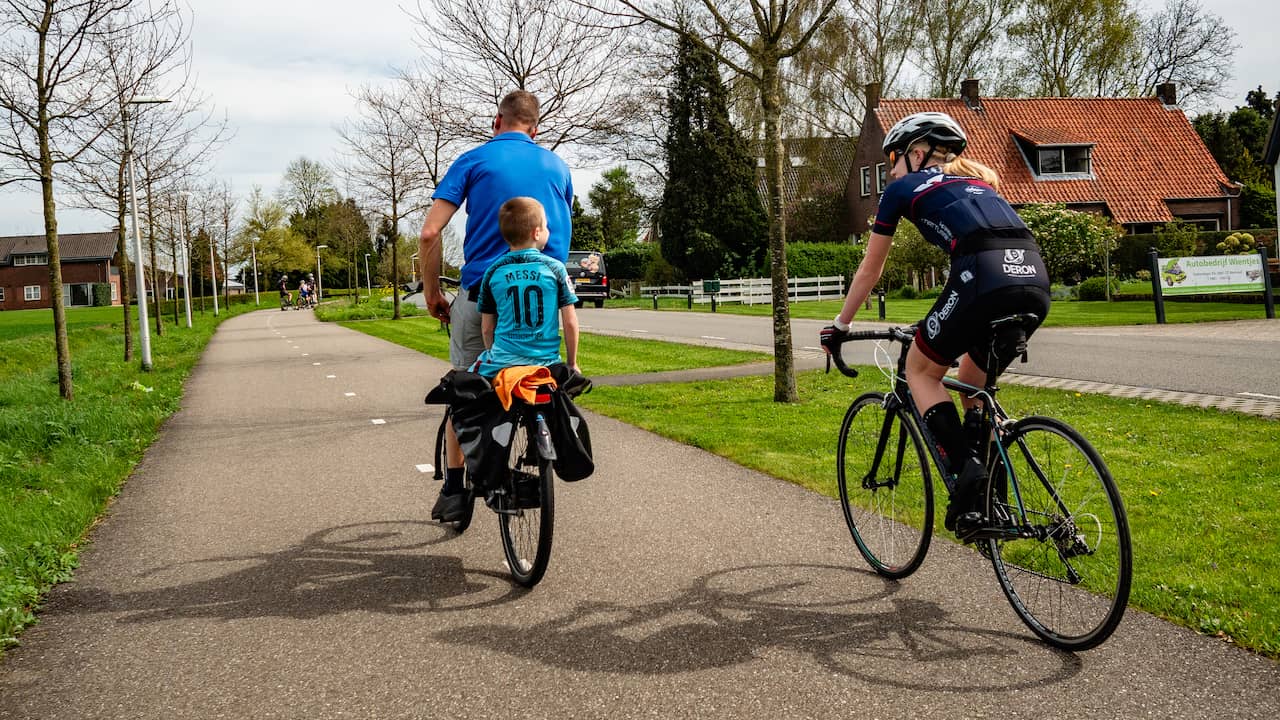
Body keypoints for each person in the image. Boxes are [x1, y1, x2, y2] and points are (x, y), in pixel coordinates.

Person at [822, 111, 1051, 539]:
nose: (891, 169)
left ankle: (967, 476)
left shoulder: (900, 188)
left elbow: (870, 270)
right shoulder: (979, 184)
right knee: (971, 384)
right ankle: (986, 502)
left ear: (917, 152)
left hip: (983, 277)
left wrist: (839, 325)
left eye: (894, 159)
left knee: (921, 371)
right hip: (1034, 279)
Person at [418, 89, 574, 523]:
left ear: (496, 122)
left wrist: (433, 292)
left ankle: (454, 489)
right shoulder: (558, 167)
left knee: (465, 391)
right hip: (542, 298)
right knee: (538, 372)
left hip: (483, 292)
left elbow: (430, 234)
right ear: (535, 128)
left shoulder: (472, 160)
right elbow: (556, 236)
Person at [471, 197, 580, 378]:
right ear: (536, 233)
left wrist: (494, 356)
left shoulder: (492, 272)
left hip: (503, 364)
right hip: (545, 363)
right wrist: (572, 363)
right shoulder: (555, 269)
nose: (548, 231)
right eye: (546, 226)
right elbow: (570, 322)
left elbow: (487, 328)